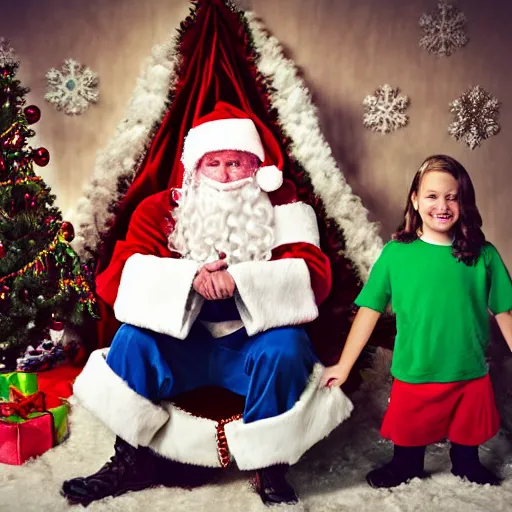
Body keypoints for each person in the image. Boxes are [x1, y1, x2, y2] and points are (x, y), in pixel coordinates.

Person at [61, 102, 353, 506]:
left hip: (252, 343)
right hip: (185, 343)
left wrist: (240, 281)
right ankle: (130, 459)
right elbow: (117, 277)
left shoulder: (283, 207)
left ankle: (268, 466)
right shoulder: (159, 210)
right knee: (131, 339)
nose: (224, 175)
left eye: (235, 163)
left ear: (256, 166)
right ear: (195, 169)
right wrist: (190, 279)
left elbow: (313, 274)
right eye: (212, 163)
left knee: (286, 348)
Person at [321, 155, 512, 488]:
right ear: (415, 199)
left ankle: (466, 462)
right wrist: (344, 365)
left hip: (468, 369)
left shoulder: (484, 255)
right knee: (410, 430)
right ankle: (405, 464)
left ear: (463, 202)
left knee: (468, 429)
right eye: (432, 196)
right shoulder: (397, 254)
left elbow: (504, 313)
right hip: (416, 368)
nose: (442, 205)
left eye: (452, 197)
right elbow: (369, 311)